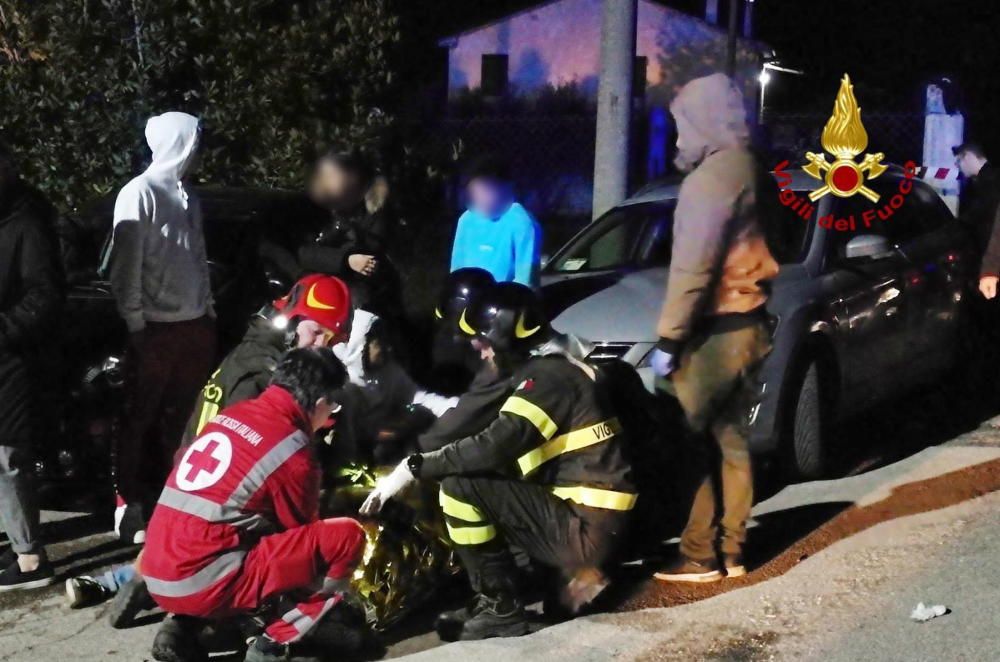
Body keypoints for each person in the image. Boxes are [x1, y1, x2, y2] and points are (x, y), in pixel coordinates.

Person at [64, 274, 353, 624]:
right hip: (217, 496)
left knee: (183, 544)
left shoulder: (258, 351)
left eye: (331, 338)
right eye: (318, 331)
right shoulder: (268, 375)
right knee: (272, 545)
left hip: (190, 480)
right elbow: (266, 461)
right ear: (292, 319)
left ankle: (134, 579)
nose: (322, 344)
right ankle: (194, 622)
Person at [361, 283, 636, 641]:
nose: (477, 346)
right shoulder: (557, 369)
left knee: (460, 487)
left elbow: (492, 445)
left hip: (586, 526)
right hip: (592, 517)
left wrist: (413, 468)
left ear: (509, 338)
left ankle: (500, 608)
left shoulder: (548, 379)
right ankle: (505, 593)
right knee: (481, 478)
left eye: (484, 339)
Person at [142, 348, 367, 662]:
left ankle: (182, 627)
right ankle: (273, 645)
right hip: (201, 581)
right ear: (318, 404)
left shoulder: (232, 414)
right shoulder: (293, 452)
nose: (331, 416)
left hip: (156, 566)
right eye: (333, 405)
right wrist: (335, 598)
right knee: (345, 539)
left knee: (237, 539)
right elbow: (301, 544)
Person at [646, 73, 778, 583]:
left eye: (683, 126)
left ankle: (699, 554)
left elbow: (693, 267)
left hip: (716, 328)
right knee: (733, 441)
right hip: (753, 321)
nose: (680, 139)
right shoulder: (754, 169)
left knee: (687, 438)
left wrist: (670, 337)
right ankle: (734, 550)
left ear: (704, 121)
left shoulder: (710, 181)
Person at [107, 111, 217, 543]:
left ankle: (178, 499)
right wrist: (135, 321)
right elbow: (125, 266)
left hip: (194, 325)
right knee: (140, 416)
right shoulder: (139, 193)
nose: (200, 149)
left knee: (187, 418)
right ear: (181, 142)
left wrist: (208, 309)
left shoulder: (189, 195)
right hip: (155, 327)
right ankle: (128, 502)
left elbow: (198, 256)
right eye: (195, 141)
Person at [0, 142, 63, 590]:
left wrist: (3, 330)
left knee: (7, 457)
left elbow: (44, 295)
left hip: (10, 360)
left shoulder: (26, 222)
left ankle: (29, 558)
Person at [298, 147, 400, 316]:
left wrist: (352, 259)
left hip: (360, 293)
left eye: (331, 175)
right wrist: (345, 259)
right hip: (315, 288)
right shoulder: (316, 210)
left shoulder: (376, 209)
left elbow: (371, 250)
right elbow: (303, 252)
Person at [450, 155, 541, 287]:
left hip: (506, 303)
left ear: (505, 189)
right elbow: (456, 271)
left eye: (489, 190)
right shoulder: (466, 221)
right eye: (478, 190)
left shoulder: (523, 223)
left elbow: (525, 282)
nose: (484, 197)